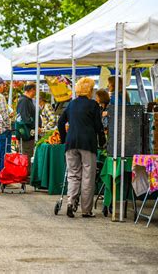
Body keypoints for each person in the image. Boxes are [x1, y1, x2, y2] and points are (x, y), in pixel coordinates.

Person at [58, 77, 105, 218]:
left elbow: (61, 122)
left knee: (73, 175)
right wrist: (102, 141)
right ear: (90, 90)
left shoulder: (71, 104)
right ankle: (86, 210)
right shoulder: (93, 105)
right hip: (88, 144)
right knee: (88, 177)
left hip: (71, 143)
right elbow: (98, 126)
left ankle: (70, 203)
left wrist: (63, 139)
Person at [16, 83, 41, 172]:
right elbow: (24, 118)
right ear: (31, 90)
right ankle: (25, 175)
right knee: (26, 154)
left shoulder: (28, 100)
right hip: (26, 134)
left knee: (29, 154)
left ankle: (27, 174)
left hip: (30, 133)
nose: (36, 93)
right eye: (35, 90)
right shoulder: (24, 101)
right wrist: (35, 126)